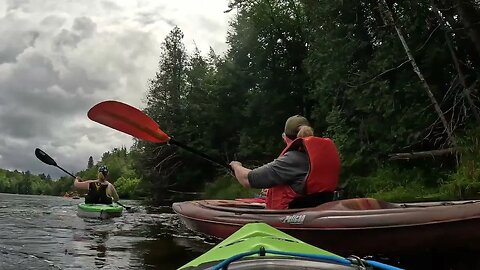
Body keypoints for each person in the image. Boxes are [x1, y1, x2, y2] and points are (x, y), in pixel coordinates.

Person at [229, 115, 341, 210]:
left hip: (292, 215)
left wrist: (236, 166)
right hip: (321, 208)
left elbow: (247, 179)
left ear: (285, 137)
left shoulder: (291, 160)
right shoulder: (322, 155)